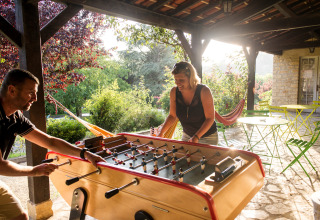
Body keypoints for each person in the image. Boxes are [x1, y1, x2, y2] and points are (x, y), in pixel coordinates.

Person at [0, 69, 105, 220]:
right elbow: (0, 165)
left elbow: (49, 141)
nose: (35, 98)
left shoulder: (15, 117)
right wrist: (34, 171)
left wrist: (85, 153)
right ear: (12, 90)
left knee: (20, 217)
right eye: (31, 92)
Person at [157, 61, 218, 145]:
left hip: (208, 137)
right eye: (175, 79)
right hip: (187, 136)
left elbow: (210, 118)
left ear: (191, 78)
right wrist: (161, 133)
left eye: (181, 80)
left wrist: (196, 137)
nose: (177, 83)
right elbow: (172, 116)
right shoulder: (174, 92)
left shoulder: (204, 91)